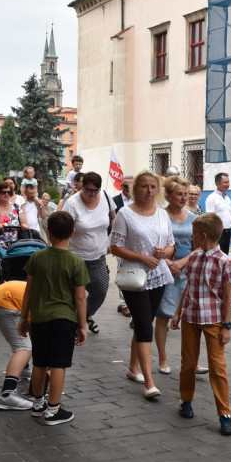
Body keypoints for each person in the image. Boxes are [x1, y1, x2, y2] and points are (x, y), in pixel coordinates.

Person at [17, 211, 89, 424]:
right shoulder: (76, 262)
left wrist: (24, 317)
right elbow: (80, 298)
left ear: (48, 232)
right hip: (64, 319)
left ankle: (38, 404)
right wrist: (82, 325)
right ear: (73, 233)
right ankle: (54, 410)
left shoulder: (37, 257)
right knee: (58, 364)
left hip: (39, 318)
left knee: (40, 362)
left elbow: (28, 291)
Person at [171, 212, 231, 434]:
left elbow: (228, 296)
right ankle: (185, 399)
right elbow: (188, 287)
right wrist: (178, 313)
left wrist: (227, 325)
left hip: (213, 321)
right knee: (188, 363)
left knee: (217, 366)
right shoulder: (194, 258)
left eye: (193, 234)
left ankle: (225, 413)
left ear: (202, 235)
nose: (191, 237)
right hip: (191, 317)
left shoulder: (224, 261)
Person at [110, 170, 175, 399]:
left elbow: (170, 246)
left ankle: (132, 368)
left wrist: (163, 252)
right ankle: (149, 381)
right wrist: (142, 257)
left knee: (144, 322)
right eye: (144, 186)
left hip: (158, 275)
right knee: (144, 326)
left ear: (158, 190)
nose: (149, 191)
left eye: (153, 187)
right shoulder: (125, 214)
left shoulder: (162, 215)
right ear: (135, 189)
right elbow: (115, 247)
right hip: (134, 277)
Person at [63, 171, 116, 334]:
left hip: (98, 256)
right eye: (88, 190)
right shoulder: (72, 204)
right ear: (81, 186)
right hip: (74, 258)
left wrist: (111, 240)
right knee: (73, 295)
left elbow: (114, 218)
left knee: (100, 291)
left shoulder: (106, 197)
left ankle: (84, 315)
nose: (92, 194)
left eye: (95, 190)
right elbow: (63, 229)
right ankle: (71, 326)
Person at [154, 176, 197, 374]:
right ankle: (163, 359)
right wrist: (169, 263)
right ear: (169, 195)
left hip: (187, 272)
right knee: (163, 316)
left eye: (186, 194)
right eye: (179, 194)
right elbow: (153, 244)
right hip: (164, 270)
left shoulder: (193, 218)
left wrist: (182, 262)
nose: (183, 198)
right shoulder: (159, 216)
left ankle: (191, 361)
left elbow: (199, 248)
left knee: (189, 319)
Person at [0, 280, 34, 410]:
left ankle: (23, 370)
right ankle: (7, 395)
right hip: (4, 302)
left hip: (2, 297)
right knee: (24, 348)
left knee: (25, 341)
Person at [205, 174, 231, 310]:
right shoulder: (212, 198)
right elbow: (209, 218)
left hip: (227, 234)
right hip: (217, 234)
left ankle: (225, 295)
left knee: (222, 265)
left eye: (228, 182)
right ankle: (229, 297)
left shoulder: (227, 198)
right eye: (225, 182)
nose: (228, 184)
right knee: (219, 265)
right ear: (218, 183)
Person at [113, 175, 135, 318]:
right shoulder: (115, 201)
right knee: (122, 270)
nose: (128, 189)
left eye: (131, 186)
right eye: (126, 186)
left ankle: (125, 302)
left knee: (132, 272)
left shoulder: (138, 200)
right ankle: (124, 303)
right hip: (120, 241)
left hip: (134, 241)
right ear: (122, 186)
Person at [0, 183, 22, 250]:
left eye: (9, 192)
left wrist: (24, 225)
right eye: (3, 192)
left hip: (15, 246)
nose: (6, 194)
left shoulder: (16, 206)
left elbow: (24, 223)